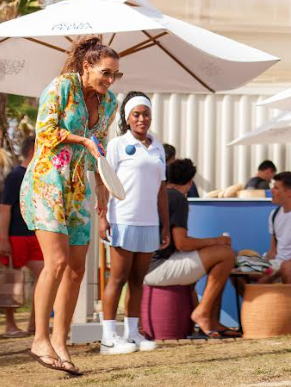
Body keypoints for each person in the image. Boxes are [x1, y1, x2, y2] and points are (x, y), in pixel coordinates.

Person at [21, 36, 119, 374]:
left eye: (114, 76)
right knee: (58, 261)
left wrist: (103, 190)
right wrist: (83, 141)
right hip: (48, 181)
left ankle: (61, 343)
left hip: (80, 189)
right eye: (105, 73)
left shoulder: (110, 103)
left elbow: (100, 148)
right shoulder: (62, 86)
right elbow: (45, 132)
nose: (109, 81)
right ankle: (39, 339)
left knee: (77, 268)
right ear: (86, 66)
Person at [99, 92, 169, 355]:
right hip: (122, 221)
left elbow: (162, 189)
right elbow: (104, 181)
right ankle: (108, 338)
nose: (142, 119)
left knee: (138, 280)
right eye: (136, 114)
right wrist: (103, 216)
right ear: (127, 118)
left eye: (146, 114)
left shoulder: (158, 146)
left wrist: (165, 225)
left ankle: (133, 334)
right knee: (117, 278)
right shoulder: (117, 145)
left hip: (149, 223)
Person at [144, 159, 238, 338]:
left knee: (213, 261)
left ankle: (212, 320)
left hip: (147, 266)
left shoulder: (160, 194)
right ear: (190, 182)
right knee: (226, 255)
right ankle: (202, 313)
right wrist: (218, 241)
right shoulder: (178, 198)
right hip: (158, 268)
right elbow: (182, 243)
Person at [1, 137, 43, 338]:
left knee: (43, 276)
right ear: (33, 150)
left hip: (36, 234)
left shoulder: (40, 175)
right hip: (15, 235)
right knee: (11, 280)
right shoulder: (15, 176)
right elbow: (4, 209)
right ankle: (10, 325)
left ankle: (35, 325)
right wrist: (3, 238)